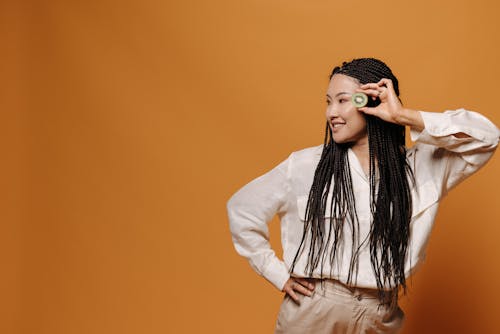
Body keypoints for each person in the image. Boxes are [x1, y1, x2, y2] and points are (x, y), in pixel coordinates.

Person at [226, 58, 499, 333]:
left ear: (369, 101)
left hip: (379, 313)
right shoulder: (306, 165)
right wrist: (277, 274)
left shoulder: (421, 167)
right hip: (315, 309)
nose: (331, 112)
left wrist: (402, 116)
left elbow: (487, 138)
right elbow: (242, 209)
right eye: (328, 101)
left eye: (343, 100)